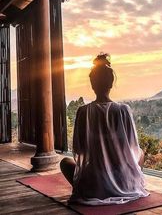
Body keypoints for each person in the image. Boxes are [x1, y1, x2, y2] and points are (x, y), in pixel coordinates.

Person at [60, 53, 149, 205]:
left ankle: (89, 189)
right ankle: (127, 184)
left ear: (92, 84)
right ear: (111, 83)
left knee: (65, 163)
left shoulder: (83, 112)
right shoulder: (122, 110)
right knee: (140, 152)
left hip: (94, 180)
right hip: (122, 178)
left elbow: (79, 151)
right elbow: (132, 148)